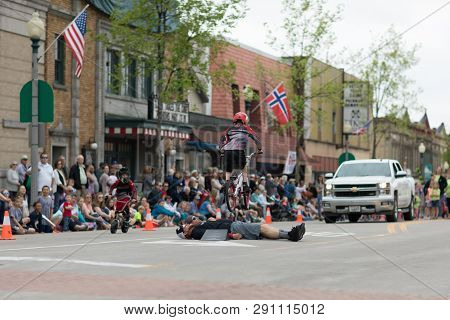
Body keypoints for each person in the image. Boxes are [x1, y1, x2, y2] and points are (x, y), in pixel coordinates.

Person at [219, 112, 262, 203]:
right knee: (243, 168)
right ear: (244, 121)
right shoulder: (246, 128)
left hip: (227, 151)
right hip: (239, 151)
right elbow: (256, 138)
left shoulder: (229, 129)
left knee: (228, 169)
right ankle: (245, 185)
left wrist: (221, 149)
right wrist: (259, 149)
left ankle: (227, 184)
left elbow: (223, 139)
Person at [176, 216, 305, 242]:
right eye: (185, 226)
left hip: (232, 225)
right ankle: (290, 235)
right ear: (186, 233)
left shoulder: (198, 226)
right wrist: (232, 235)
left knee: (262, 229)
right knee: (261, 227)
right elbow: (212, 234)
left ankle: (290, 233)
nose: (189, 223)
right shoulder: (196, 232)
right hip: (232, 227)